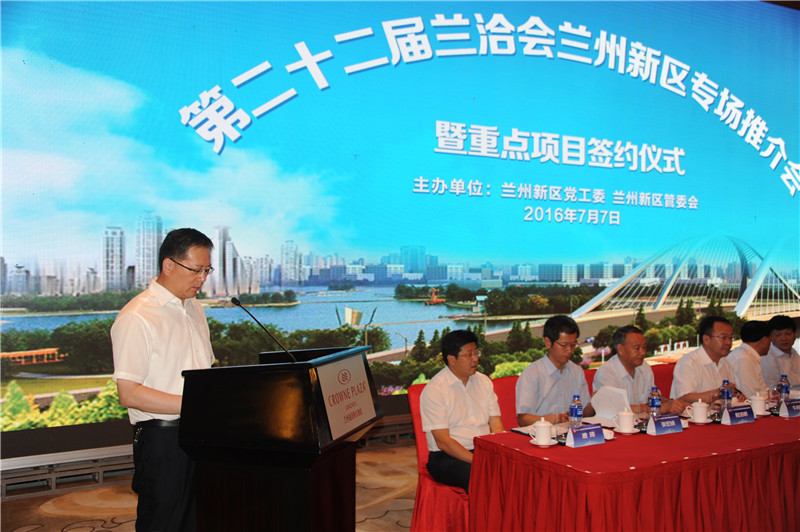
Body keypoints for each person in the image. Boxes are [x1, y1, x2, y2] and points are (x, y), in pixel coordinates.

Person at [111, 228, 216, 532]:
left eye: (207, 271)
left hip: (203, 434)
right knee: (164, 523)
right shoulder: (137, 316)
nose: (202, 279)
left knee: (202, 519)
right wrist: (196, 405)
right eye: (196, 270)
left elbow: (204, 370)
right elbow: (129, 393)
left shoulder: (194, 308)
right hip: (163, 440)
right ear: (168, 265)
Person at [420, 329, 503, 492]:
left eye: (476, 353)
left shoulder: (484, 381)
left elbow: (497, 425)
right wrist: (479, 460)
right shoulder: (435, 390)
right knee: (482, 475)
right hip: (447, 456)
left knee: (521, 468)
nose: (475, 359)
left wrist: (500, 452)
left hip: (483, 449)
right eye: (469, 354)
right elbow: (443, 441)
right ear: (451, 359)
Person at [516, 315, 594, 427]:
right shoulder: (532, 373)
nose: (570, 351)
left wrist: (596, 402)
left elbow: (585, 413)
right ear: (548, 342)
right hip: (540, 434)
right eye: (564, 345)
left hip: (571, 433)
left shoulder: (577, 372)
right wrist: (555, 419)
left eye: (573, 345)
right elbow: (523, 420)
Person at [592, 325, 687, 416]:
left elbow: (653, 397)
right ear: (620, 349)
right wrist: (660, 408)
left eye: (644, 347)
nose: (643, 352)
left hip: (641, 423)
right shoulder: (607, 373)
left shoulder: (644, 367)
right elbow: (616, 409)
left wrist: (672, 403)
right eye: (637, 348)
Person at [670, 315, 745, 404]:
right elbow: (684, 398)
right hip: (694, 413)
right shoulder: (688, 363)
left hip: (720, 411)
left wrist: (737, 395)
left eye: (730, 338)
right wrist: (717, 394)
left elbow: (731, 392)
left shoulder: (725, 363)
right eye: (723, 338)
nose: (729, 342)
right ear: (706, 340)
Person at [726, 320, 772, 398]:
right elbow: (751, 395)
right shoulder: (744, 359)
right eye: (770, 341)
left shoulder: (747, 355)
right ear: (765, 340)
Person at [762, 315, 800, 390]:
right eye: (778, 335)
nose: (784, 338)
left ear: (795, 335)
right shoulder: (767, 357)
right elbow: (773, 389)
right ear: (771, 337)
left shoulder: (795, 354)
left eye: (788, 334)